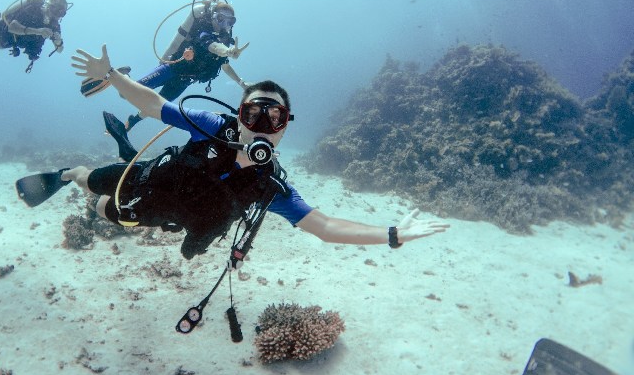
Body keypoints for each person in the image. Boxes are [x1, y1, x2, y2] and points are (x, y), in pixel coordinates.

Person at [56, 45, 450, 261]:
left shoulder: (269, 185)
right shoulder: (212, 125)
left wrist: (392, 234)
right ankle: (73, 172)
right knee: (93, 190)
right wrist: (113, 76)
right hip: (149, 183)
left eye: (274, 117)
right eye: (252, 113)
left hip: (176, 219)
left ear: (285, 126)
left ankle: (110, 173)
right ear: (239, 115)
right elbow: (153, 103)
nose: (261, 125)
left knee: (134, 224)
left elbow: (325, 227)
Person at [122, 0, 250, 130]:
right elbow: (211, 45)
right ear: (212, 16)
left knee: (155, 107)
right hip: (171, 69)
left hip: (183, 82)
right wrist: (227, 51)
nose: (224, 24)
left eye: (230, 21)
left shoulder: (225, 42)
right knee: (127, 91)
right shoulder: (203, 31)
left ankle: (131, 122)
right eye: (221, 18)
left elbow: (225, 65)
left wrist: (241, 82)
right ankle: (123, 76)